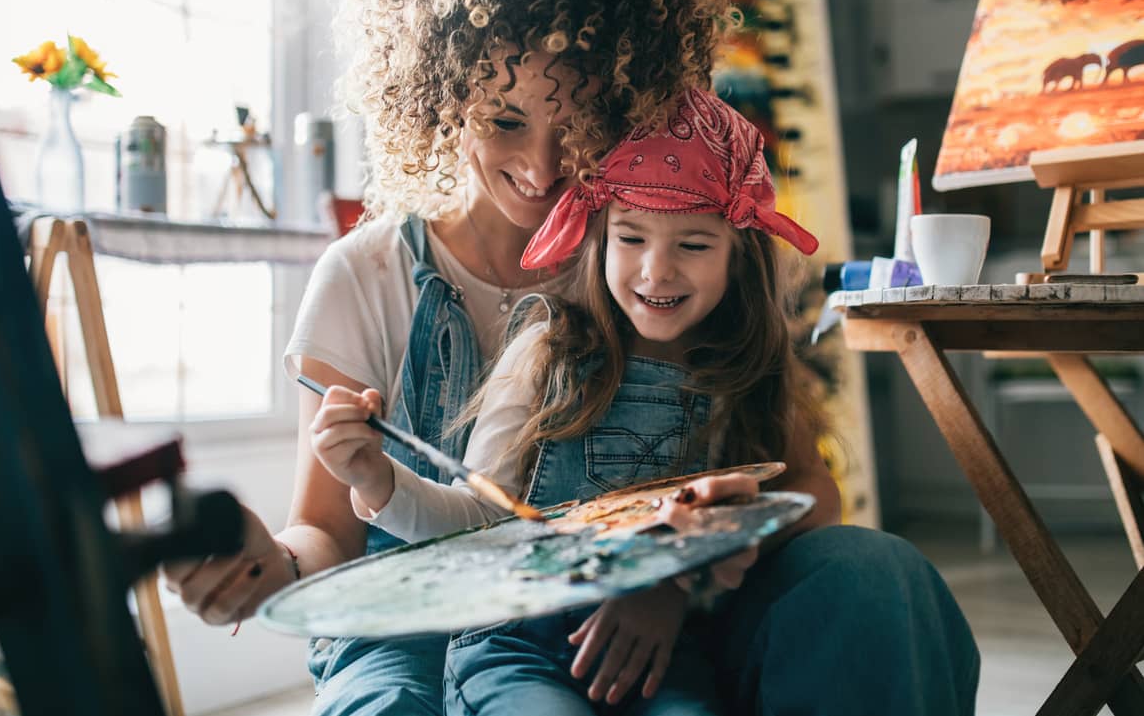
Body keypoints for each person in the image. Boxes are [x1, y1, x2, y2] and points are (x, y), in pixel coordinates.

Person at [163, 0, 735, 715]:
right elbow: (327, 532)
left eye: (575, 124)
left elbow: (762, 471)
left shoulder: (642, 270)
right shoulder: (364, 274)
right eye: (504, 121)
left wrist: (673, 582)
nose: (541, 168)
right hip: (393, 627)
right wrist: (268, 566)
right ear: (436, 98)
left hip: (577, 630)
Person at [313, 88, 980, 716]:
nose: (657, 271)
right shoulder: (546, 352)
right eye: (631, 239)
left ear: (736, 256)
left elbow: (798, 499)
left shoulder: (744, 370)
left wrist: (679, 576)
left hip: (667, 655)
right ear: (596, 237)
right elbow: (474, 522)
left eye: (693, 244)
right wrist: (376, 480)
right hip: (519, 649)